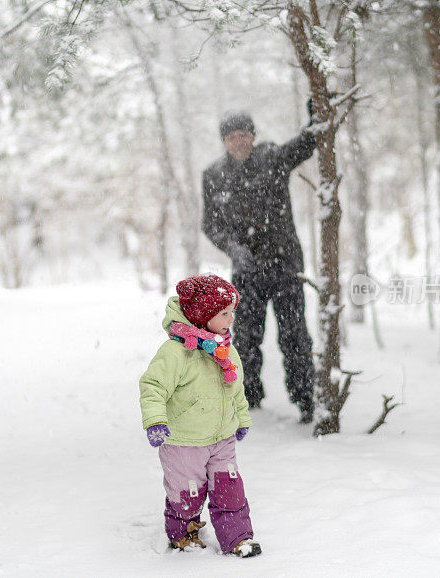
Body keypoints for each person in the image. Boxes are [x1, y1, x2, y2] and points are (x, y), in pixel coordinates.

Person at [201, 110, 318, 423]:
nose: (238, 141)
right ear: (224, 142)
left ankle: (307, 399)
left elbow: (306, 145)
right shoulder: (213, 175)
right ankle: (248, 398)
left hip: (285, 265)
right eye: (231, 137)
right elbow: (210, 224)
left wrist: (316, 117)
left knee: (294, 336)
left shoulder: (272, 158)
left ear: (253, 136)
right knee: (247, 338)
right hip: (247, 271)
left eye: (243, 135)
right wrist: (234, 249)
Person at [138, 274, 261, 558]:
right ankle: (184, 535)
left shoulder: (227, 350)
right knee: (187, 494)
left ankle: (238, 538)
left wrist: (241, 419)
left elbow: (236, 388)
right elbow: (153, 386)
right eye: (224, 313)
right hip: (184, 440)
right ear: (203, 315)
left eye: (232, 312)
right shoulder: (176, 352)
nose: (231, 319)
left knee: (230, 489)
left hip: (222, 437)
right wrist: (156, 420)